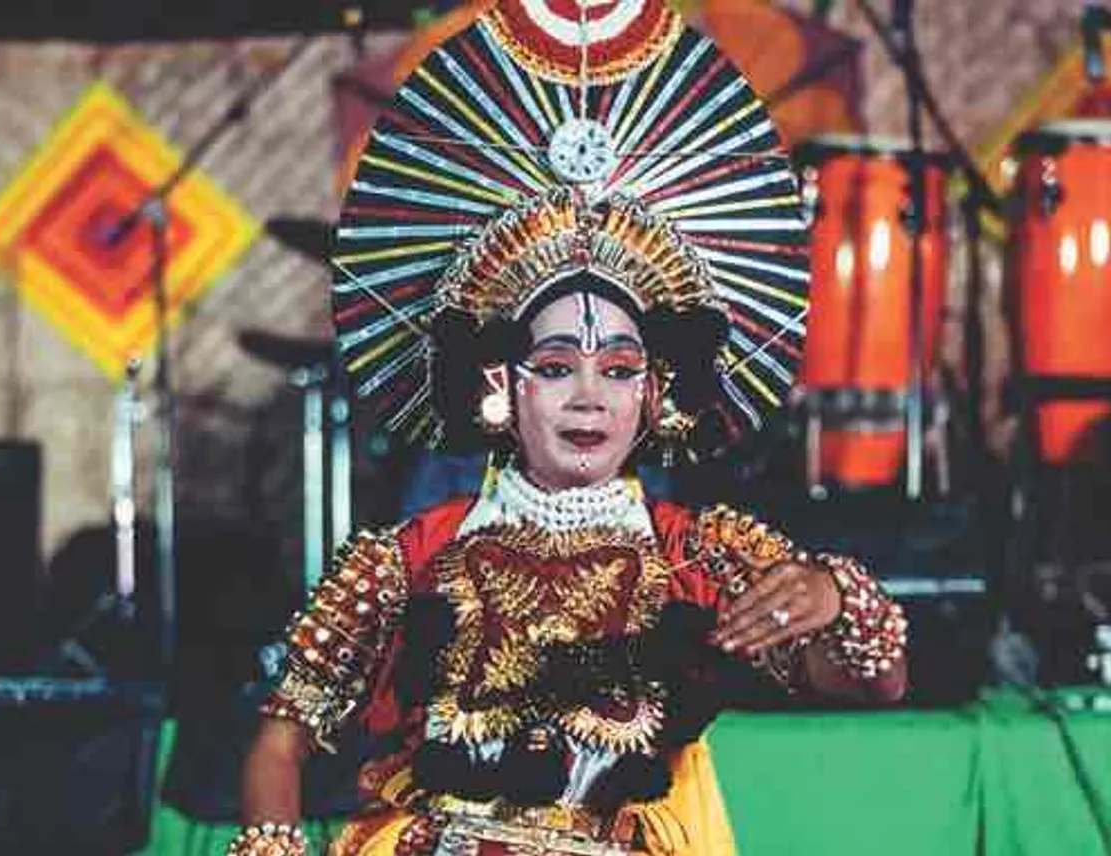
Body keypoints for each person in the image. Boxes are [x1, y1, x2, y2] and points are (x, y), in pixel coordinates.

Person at [230, 4, 907, 854]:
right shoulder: (402, 560)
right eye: (555, 368)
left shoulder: (702, 557)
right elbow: (282, 733)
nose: (589, 397)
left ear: (654, 394)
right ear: (499, 386)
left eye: (620, 371)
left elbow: (869, 685)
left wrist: (838, 598)